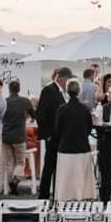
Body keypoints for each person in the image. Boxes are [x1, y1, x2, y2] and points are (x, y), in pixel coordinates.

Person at [51, 79, 96, 202]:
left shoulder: (62, 109)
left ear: (67, 90)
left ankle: (64, 197)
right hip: (82, 146)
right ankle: (82, 195)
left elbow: (57, 129)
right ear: (79, 91)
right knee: (82, 175)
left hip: (65, 146)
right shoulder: (85, 109)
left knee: (66, 176)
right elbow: (89, 128)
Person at [36, 68, 71, 199]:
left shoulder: (63, 93)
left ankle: (57, 193)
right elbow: (41, 114)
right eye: (68, 78)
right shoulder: (49, 90)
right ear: (61, 78)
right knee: (49, 165)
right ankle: (44, 195)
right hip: (53, 135)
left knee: (58, 165)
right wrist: (48, 134)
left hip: (61, 136)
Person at [0, 79, 32, 195]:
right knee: (20, 162)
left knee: (9, 162)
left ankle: (9, 185)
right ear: (19, 89)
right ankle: (15, 179)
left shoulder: (4, 102)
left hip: (5, 136)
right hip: (19, 136)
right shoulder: (25, 101)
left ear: (9, 90)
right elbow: (34, 114)